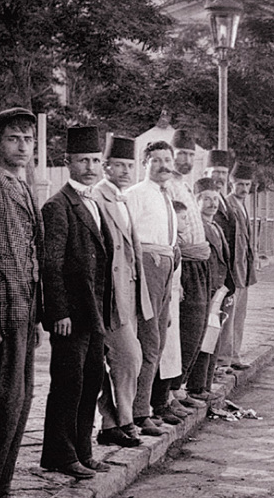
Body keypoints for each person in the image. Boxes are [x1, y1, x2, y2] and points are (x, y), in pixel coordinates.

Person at [40, 126, 114, 480]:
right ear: (68, 163)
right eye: (83, 160)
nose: (90, 166)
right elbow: (51, 263)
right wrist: (59, 312)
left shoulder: (94, 202)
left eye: (95, 160)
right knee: (68, 384)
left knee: (91, 382)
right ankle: (59, 453)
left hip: (95, 314)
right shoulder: (58, 206)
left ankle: (82, 450)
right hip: (72, 316)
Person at [92, 136, 150, 448]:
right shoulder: (99, 197)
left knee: (123, 359)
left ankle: (110, 424)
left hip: (129, 295)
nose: (126, 171)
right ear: (107, 166)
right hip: (108, 296)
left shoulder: (123, 198)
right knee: (128, 357)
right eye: (119, 165)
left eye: (130, 166)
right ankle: (123, 419)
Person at [0, 108, 44, 496]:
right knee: (5, 402)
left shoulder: (23, 186)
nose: (23, 146)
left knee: (21, 399)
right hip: (4, 311)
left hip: (24, 310)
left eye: (28, 139)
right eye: (14, 138)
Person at [124, 140, 179, 437]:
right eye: (155, 160)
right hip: (147, 267)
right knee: (147, 344)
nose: (162, 165)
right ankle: (138, 412)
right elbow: (127, 238)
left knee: (158, 343)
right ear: (145, 163)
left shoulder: (165, 195)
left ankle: (144, 407)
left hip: (166, 268)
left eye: (166, 159)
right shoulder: (136, 195)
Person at [166, 130, 209, 415]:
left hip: (198, 262)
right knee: (182, 331)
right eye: (181, 154)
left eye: (191, 155)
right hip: (183, 264)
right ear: (172, 155)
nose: (186, 160)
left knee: (197, 329)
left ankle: (180, 388)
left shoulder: (187, 186)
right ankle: (171, 392)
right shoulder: (168, 186)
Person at [185, 178, 234, 401]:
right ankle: (196, 387)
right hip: (207, 288)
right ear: (196, 201)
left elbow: (225, 259)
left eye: (215, 199)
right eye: (206, 199)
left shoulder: (216, 227)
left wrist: (228, 289)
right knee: (204, 338)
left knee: (214, 338)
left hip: (220, 289)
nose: (212, 204)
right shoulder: (198, 229)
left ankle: (206, 385)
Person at [215, 161, 256, 371]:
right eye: (240, 184)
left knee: (240, 315)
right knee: (228, 317)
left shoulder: (243, 205)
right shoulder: (228, 205)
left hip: (245, 270)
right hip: (232, 270)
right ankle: (224, 358)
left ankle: (235, 355)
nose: (244, 189)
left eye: (247, 185)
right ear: (231, 182)